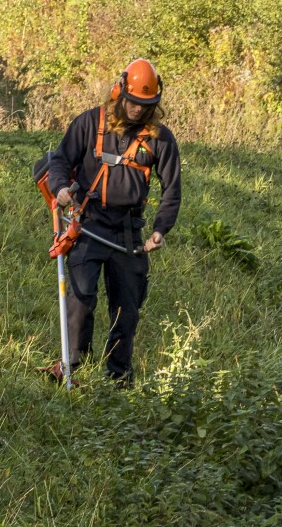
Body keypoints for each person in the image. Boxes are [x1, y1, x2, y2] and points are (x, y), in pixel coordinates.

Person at [44, 59, 182, 386]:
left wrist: (160, 229)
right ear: (119, 93)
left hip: (128, 231)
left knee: (127, 309)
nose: (137, 110)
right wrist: (61, 188)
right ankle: (72, 364)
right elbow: (61, 160)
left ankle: (119, 377)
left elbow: (172, 189)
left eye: (146, 105)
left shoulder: (160, 138)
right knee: (80, 297)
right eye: (133, 102)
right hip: (88, 223)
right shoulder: (91, 123)